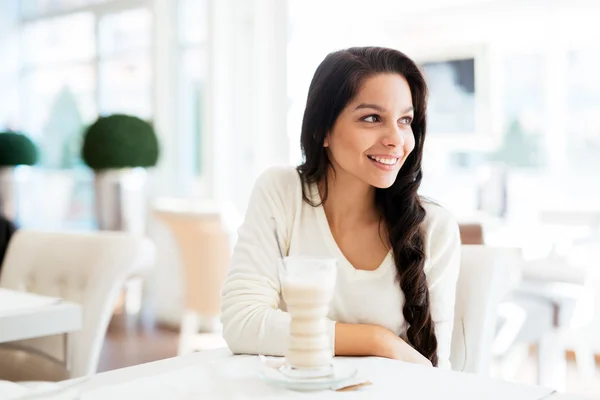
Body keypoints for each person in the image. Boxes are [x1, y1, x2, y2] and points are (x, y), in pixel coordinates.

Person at [220, 47, 461, 368]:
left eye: (405, 120)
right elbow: (242, 322)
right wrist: (378, 341)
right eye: (372, 118)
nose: (396, 138)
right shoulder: (281, 191)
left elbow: (434, 371)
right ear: (322, 130)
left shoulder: (433, 227)